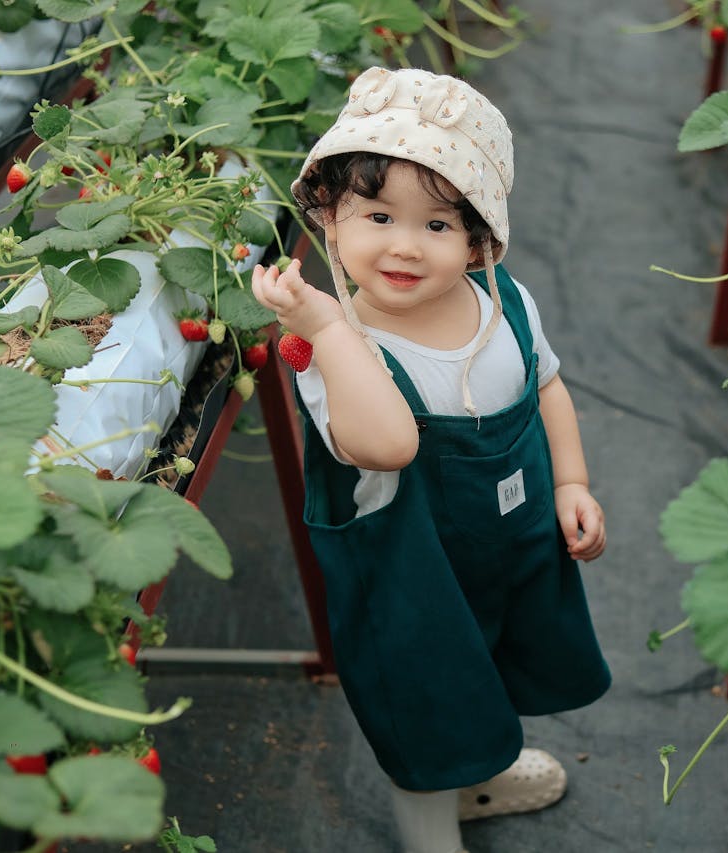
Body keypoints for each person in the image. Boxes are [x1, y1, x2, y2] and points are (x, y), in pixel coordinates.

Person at [250, 66, 612, 853]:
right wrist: (335, 332)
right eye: (378, 215)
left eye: (439, 226)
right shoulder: (333, 353)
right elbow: (389, 444)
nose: (404, 246)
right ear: (330, 222)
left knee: (491, 671)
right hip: (410, 585)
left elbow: (547, 387)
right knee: (426, 706)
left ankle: (478, 776)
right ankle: (430, 833)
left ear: (480, 239)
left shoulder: (504, 301)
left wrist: (573, 479)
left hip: (508, 553)